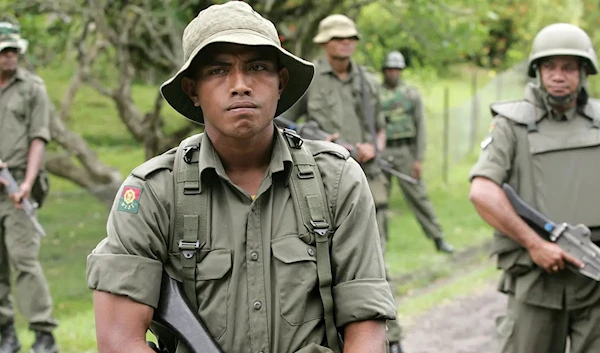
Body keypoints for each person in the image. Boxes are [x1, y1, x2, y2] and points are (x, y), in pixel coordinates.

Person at [86, 2, 397, 353]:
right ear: (192, 89)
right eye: (219, 70)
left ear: (280, 82)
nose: (240, 85)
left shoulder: (336, 180)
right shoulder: (153, 193)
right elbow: (118, 340)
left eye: (257, 67)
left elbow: (366, 326)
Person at [469, 23, 600, 353]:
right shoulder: (511, 125)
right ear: (537, 71)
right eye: (549, 66)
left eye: (568, 67)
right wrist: (534, 244)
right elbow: (483, 191)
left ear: (584, 71)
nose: (558, 75)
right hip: (536, 281)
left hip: (595, 282)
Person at [283, 14, 404, 353]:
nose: (345, 42)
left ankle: (389, 338)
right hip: (320, 181)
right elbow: (284, 119)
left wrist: (372, 147)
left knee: (373, 263)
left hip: (368, 178)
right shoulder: (308, 80)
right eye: (338, 38)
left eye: (350, 37)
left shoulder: (367, 81)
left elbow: (380, 126)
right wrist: (317, 138)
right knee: (321, 265)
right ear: (324, 43)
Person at [0, 22, 59, 353]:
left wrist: (25, 183)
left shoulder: (33, 88)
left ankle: (43, 333)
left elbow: (39, 138)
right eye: (3, 51)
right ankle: (5, 333)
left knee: (24, 259)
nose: (10, 57)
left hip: (18, 188)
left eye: (13, 50)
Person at [380, 51, 454, 254]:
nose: (393, 73)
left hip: (405, 150)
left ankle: (438, 238)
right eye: (390, 69)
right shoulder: (374, 93)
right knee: (377, 202)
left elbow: (420, 126)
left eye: (396, 69)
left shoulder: (411, 94)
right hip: (382, 152)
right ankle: (378, 248)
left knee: (419, 196)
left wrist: (418, 158)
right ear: (384, 71)